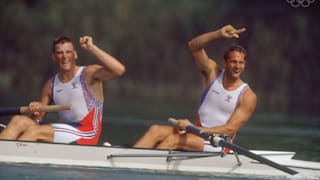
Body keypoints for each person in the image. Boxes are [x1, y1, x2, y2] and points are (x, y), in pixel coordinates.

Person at [133, 25, 257, 152]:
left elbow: (230, 129)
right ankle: (126, 163)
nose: (237, 66)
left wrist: (192, 127)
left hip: (218, 144)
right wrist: (218, 34)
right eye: (233, 62)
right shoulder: (212, 73)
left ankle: (147, 167)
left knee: (172, 140)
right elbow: (193, 46)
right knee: (155, 130)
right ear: (225, 62)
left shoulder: (248, 96)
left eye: (241, 63)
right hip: (196, 135)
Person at [0, 35, 125, 145]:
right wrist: (35, 111)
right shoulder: (51, 84)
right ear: (54, 57)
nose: (65, 57)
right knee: (18, 121)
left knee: (34, 131)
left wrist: (91, 47)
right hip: (65, 131)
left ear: (75, 54)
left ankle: (16, 155)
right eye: (60, 53)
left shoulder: (88, 73)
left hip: (87, 132)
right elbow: (37, 120)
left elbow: (119, 70)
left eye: (68, 52)